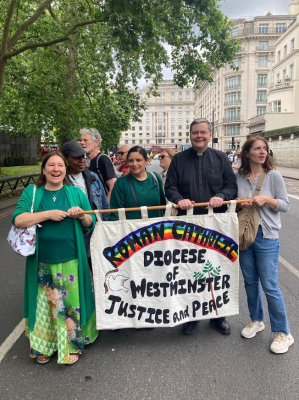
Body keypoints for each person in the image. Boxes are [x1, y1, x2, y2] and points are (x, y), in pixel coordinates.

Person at [12, 152, 97, 365]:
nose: (56, 169)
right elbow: (19, 219)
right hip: (41, 261)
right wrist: (48, 214)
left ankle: (71, 345)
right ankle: (44, 345)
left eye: (60, 165)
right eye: (51, 165)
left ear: (65, 169)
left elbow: (91, 223)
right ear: (44, 169)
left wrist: (82, 215)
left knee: (69, 305)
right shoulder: (32, 192)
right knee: (45, 306)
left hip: (72, 259)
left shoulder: (75, 193)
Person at [165, 118, 237, 336]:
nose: (199, 136)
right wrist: (179, 200)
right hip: (188, 225)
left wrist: (221, 196)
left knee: (217, 270)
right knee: (190, 271)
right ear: (190, 135)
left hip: (216, 225)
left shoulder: (221, 158)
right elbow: (170, 187)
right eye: (195, 132)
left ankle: (218, 316)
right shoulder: (178, 159)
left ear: (210, 134)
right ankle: (192, 315)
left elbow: (231, 186)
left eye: (203, 132)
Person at [236, 136, 293, 354]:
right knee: (250, 282)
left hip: (266, 236)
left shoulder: (274, 175)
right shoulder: (239, 176)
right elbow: (234, 203)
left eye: (265, 149)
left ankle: (283, 332)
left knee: (269, 285)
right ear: (247, 152)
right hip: (245, 236)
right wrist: (240, 201)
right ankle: (256, 320)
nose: (262, 152)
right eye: (257, 148)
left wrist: (267, 200)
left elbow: (285, 205)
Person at [61, 142, 109, 265]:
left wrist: (106, 231)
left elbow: (104, 206)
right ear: (66, 159)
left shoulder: (93, 177)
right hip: (71, 234)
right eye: (77, 158)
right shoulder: (60, 180)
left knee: (99, 273)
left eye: (83, 156)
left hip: (94, 232)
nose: (82, 160)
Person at [110, 146, 166, 221]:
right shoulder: (120, 183)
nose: (134, 164)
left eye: (138, 160)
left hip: (156, 230)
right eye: (131, 161)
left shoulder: (155, 178)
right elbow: (115, 215)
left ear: (146, 161)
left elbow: (163, 205)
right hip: (132, 231)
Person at [79, 128, 117, 203]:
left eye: (85, 140)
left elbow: (113, 187)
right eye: (81, 140)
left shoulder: (102, 159)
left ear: (96, 143)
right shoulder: (87, 161)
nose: (81, 143)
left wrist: (105, 210)